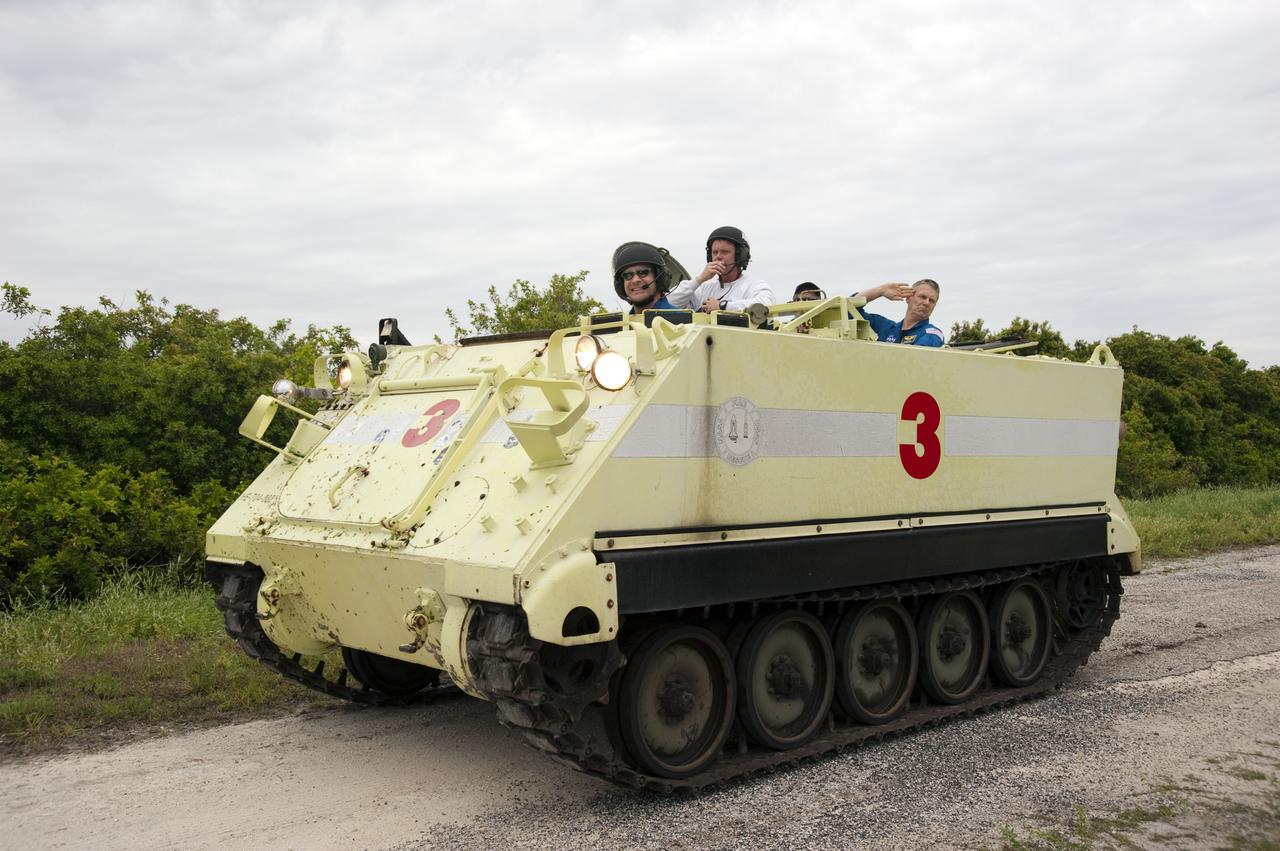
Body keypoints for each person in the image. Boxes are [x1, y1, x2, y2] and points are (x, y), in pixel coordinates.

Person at [667, 226, 774, 313]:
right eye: (715, 252)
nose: (718, 257)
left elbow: (766, 304)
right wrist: (698, 280)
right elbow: (669, 304)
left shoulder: (755, 286)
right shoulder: (703, 289)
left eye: (724, 252)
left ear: (739, 256)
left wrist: (723, 306)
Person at [853, 279, 945, 346]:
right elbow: (848, 310)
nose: (926, 303)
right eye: (922, 297)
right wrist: (881, 290)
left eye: (932, 301)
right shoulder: (885, 328)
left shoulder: (932, 334)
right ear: (908, 298)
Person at [612, 242, 678, 314]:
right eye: (627, 275)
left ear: (660, 278)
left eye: (643, 272)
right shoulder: (619, 324)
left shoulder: (684, 322)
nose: (635, 280)